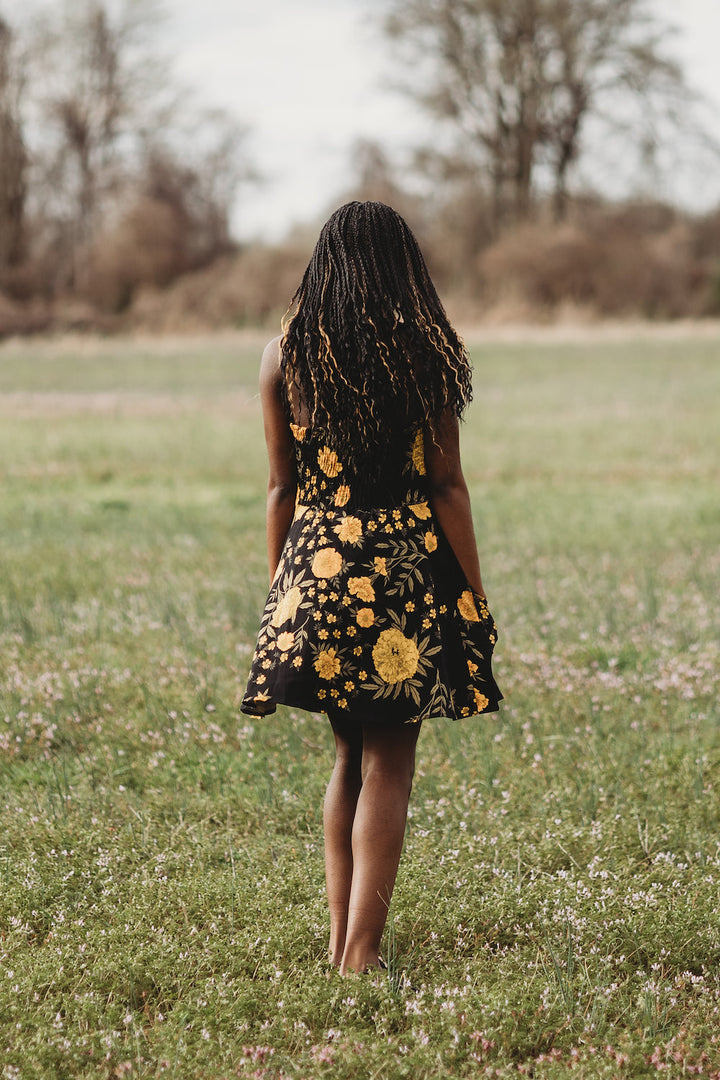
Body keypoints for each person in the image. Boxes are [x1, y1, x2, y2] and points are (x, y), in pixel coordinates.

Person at [241, 201, 501, 975]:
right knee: (391, 759)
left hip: (314, 574)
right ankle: (360, 957)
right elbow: (448, 487)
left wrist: (281, 599)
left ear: (324, 267)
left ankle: (338, 946)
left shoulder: (284, 355)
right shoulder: (426, 352)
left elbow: (279, 490)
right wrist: (473, 600)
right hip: (402, 574)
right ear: (403, 269)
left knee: (347, 758)